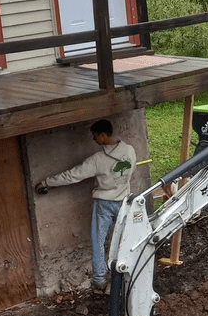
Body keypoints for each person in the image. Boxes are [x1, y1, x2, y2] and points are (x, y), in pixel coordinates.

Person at [35, 119, 137, 291]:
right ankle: (129, 273)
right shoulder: (130, 151)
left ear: (103, 135)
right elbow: (132, 171)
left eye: (95, 136)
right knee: (126, 240)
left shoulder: (98, 160)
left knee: (98, 241)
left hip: (104, 205)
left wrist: (46, 182)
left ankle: (99, 279)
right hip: (124, 203)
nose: (93, 139)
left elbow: (72, 175)